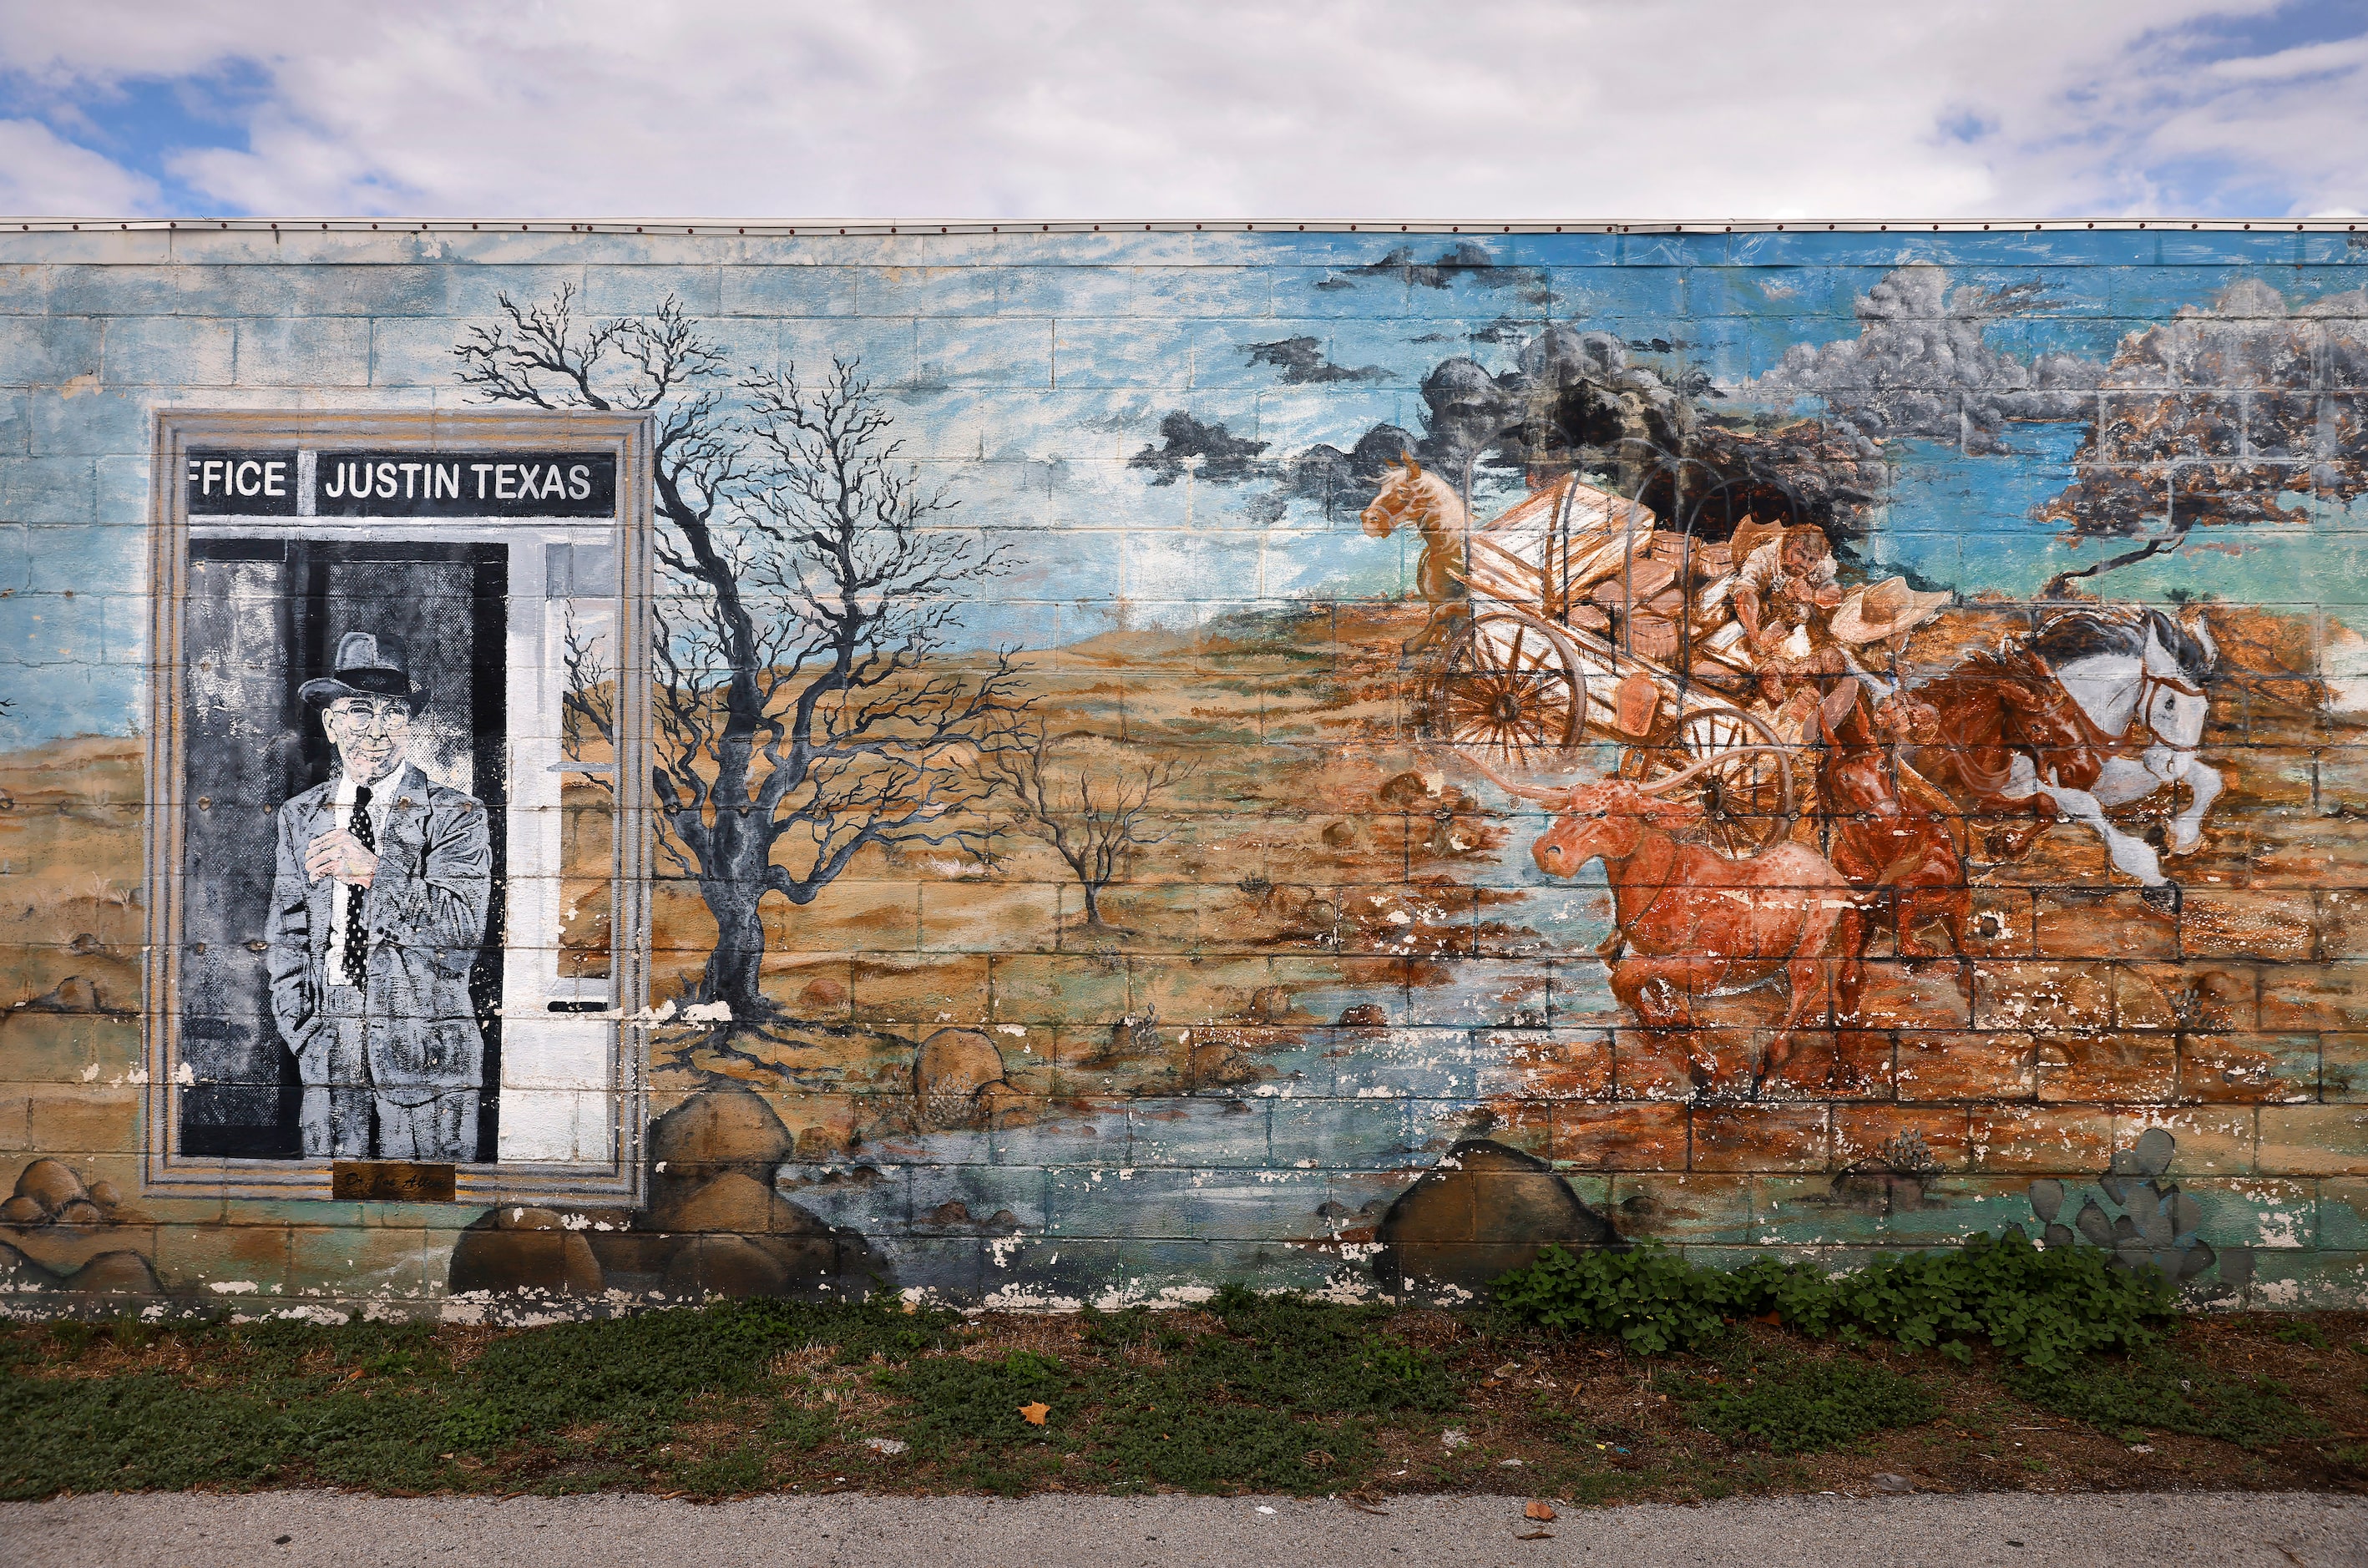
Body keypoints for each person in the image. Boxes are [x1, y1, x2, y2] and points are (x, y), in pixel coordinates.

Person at [264, 632, 493, 1161]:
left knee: (423, 1219)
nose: (376, 731)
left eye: (393, 712)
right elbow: (288, 935)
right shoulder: (301, 816)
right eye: (360, 711)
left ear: (409, 722)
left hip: (427, 1059)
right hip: (330, 1056)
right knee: (337, 1224)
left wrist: (375, 871)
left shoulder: (457, 814)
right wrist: (305, 1033)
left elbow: (462, 930)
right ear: (332, 723)